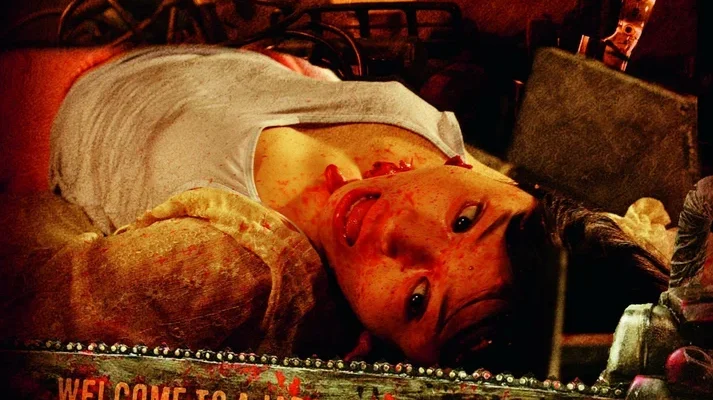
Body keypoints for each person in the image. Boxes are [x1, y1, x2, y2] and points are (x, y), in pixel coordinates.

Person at [49, 45, 669, 373]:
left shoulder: (235, 269)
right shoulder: (453, 160)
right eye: (465, 220)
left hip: (69, 94)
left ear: (377, 347)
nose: (397, 229)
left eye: (418, 301)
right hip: (222, 61)